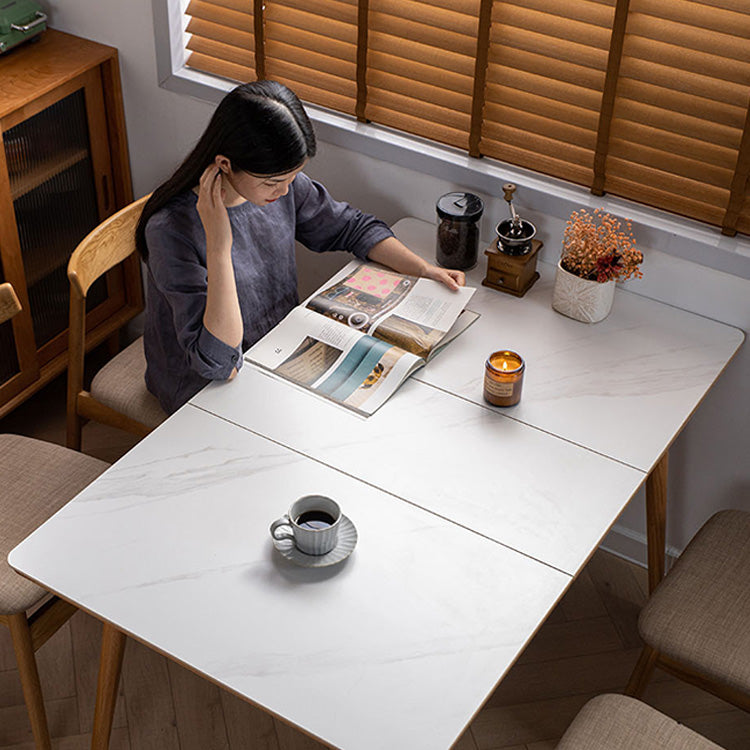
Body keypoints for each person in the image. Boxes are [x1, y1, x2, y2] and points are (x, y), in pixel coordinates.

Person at [135, 80, 465, 414]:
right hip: (203, 392)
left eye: (292, 178)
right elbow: (219, 363)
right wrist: (220, 247)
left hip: (278, 355)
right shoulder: (170, 231)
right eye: (273, 182)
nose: (283, 191)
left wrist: (423, 269)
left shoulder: (280, 189)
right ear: (224, 164)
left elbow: (351, 227)